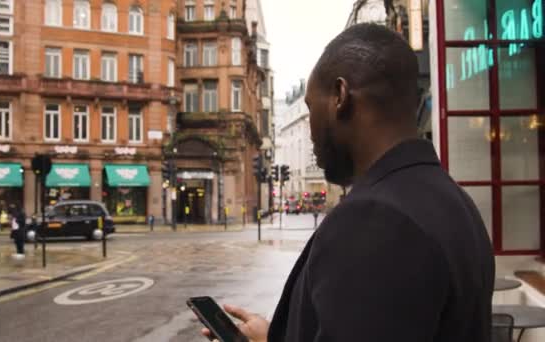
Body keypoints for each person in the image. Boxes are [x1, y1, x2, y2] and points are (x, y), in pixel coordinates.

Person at [202, 23, 494, 342]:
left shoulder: (375, 220)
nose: (312, 132)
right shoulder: (452, 200)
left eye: (312, 107)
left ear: (340, 97)